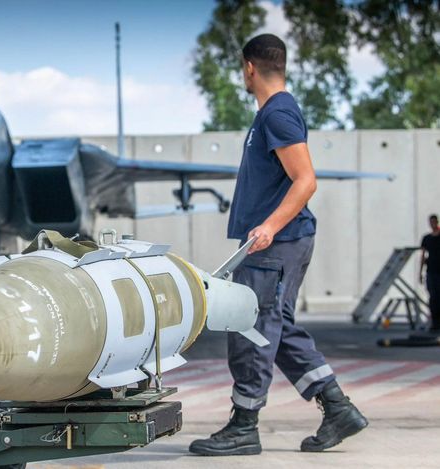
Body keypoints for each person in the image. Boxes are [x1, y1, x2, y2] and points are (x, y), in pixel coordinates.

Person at [189, 34, 367, 456]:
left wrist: (268, 226)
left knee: (249, 327)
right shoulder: (273, 113)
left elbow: (306, 180)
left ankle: (244, 426)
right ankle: (337, 408)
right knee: (276, 329)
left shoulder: (277, 114)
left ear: (249, 67)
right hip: (280, 243)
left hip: (276, 244)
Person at [420, 214, 440, 331]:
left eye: (434, 222)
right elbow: (423, 255)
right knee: (433, 297)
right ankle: (435, 322)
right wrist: (420, 272)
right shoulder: (427, 238)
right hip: (431, 271)